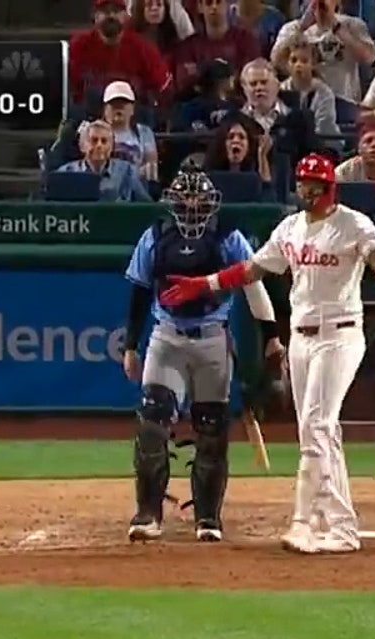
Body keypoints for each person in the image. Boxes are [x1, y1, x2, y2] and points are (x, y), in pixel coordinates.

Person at [158, 153, 375, 554]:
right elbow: (252, 269)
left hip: (340, 335)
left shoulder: (352, 222)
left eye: (311, 182)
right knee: (322, 431)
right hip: (302, 337)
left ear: (329, 187)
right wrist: (203, 284)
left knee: (316, 426)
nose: (304, 187)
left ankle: (303, 523)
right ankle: (343, 528)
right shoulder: (291, 227)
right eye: (301, 180)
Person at [121, 169, 283, 542]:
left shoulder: (228, 237)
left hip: (212, 337)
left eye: (199, 200)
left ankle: (208, 517)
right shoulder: (156, 236)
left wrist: (271, 336)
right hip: (167, 337)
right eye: (185, 199)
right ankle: (148, 513)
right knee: (152, 422)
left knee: (211, 427)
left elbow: (253, 284)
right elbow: (141, 291)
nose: (192, 207)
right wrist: (131, 345)